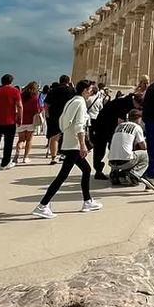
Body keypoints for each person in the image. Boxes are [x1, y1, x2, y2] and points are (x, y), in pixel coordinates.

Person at [32, 80, 101, 218]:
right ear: (84, 90)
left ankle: (87, 201)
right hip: (74, 144)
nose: (91, 93)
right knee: (62, 176)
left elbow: (63, 121)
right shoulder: (80, 102)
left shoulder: (73, 100)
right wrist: (82, 145)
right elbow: (79, 126)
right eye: (90, 90)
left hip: (69, 142)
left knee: (86, 170)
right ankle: (42, 205)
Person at [107, 110, 154, 192]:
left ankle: (115, 174)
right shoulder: (137, 127)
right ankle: (135, 174)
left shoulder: (119, 126)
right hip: (126, 162)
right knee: (145, 155)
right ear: (138, 118)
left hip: (111, 162)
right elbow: (143, 146)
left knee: (121, 151)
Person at [0, 74, 22, 172]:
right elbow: (19, 106)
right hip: (10, 121)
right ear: (11, 82)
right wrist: (20, 118)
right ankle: (5, 162)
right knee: (8, 143)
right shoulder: (15, 91)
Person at [45, 75, 76, 165]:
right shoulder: (71, 90)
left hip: (54, 116)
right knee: (66, 136)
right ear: (68, 81)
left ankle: (53, 157)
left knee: (54, 137)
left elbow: (46, 104)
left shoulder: (53, 90)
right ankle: (64, 155)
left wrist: (47, 115)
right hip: (67, 116)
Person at [16, 82, 41, 164]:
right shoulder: (35, 98)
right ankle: (25, 157)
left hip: (21, 121)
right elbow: (37, 109)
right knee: (29, 140)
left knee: (21, 140)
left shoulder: (20, 96)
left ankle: (17, 155)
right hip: (31, 121)